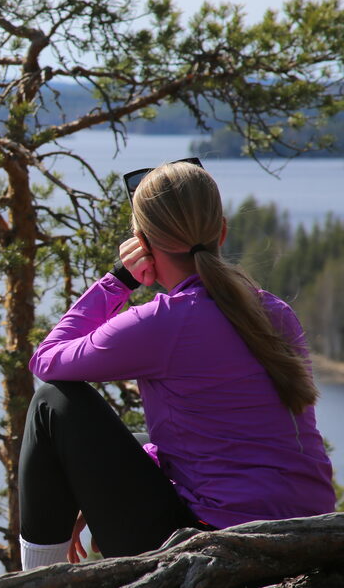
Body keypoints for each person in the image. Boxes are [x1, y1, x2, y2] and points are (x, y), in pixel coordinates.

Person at [17, 159, 336, 570]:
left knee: (53, 404)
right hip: (308, 533)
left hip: (210, 542)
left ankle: (37, 578)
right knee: (134, 440)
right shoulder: (274, 313)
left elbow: (46, 360)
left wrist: (119, 280)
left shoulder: (161, 323)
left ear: (141, 242)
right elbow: (226, 438)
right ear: (220, 230)